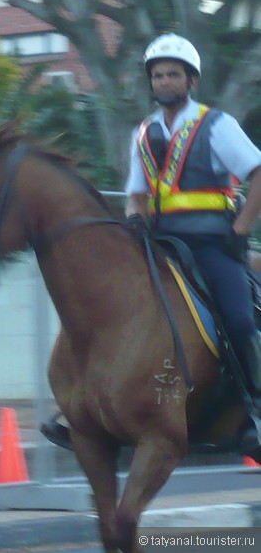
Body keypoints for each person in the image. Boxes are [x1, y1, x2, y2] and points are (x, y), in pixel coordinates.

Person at [125, 33, 261, 431]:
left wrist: (240, 229)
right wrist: (135, 216)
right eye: (157, 76)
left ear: (191, 81)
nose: (164, 81)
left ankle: (254, 406)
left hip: (212, 243)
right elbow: (136, 193)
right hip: (160, 243)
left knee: (237, 319)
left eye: (173, 74)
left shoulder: (217, 124)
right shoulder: (144, 133)